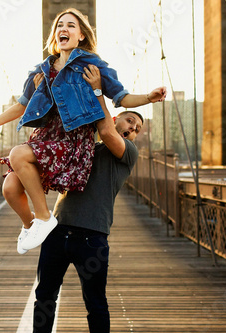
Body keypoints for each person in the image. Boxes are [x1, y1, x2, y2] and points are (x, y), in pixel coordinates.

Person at [0, 8, 166, 254]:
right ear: (55, 35)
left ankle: (44, 218)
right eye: (59, 25)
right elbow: (22, 105)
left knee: (18, 154)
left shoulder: (93, 66)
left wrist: (149, 97)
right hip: (45, 138)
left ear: (81, 36)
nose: (63, 29)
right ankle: (31, 224)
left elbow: (122, 97)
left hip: (72, 142)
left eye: (71, 25)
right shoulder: (41, 71)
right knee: (10, 188)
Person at [31, 65, 152, 333]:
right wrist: (44, 88)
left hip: (92, 238)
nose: (132, 130)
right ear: (119, 117)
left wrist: (98, 89)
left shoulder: (127, 153)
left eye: (137, 129)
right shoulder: (82, 145)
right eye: (130, 121)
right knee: (44, 298)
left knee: (95, 302)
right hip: (57, 231)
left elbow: (107, 131)